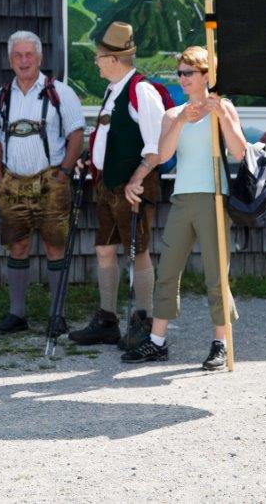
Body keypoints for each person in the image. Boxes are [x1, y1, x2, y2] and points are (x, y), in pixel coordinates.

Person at [120, 46, 247, 369]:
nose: (182, 79)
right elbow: (163, 156)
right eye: (179, 73)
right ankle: (158, 341)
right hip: (182, 198)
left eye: (188, 73)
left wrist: (221, 117)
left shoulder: (224, 107)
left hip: (213, 197)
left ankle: (221, 341)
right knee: (168, 270)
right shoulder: (172, 114)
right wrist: (179, 122)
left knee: (217, 274)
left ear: (206, 75)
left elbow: (239, 152)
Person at [68, 21, 164, 350]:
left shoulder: (141, 91)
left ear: (113, 58)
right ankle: (108, 319)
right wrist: (89, 158)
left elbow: (157, 146)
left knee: (137, 252)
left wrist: (136, 180)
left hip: (132, 188)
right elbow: (109, 136)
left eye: (98, 56)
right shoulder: (114, 89)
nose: (95, 61)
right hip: (107, 186)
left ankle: (144, 321)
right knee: (105, 249)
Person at [0, 31, 85, 335]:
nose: (24, 61)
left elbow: (77, 134)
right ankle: (17, 314)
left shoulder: (60, 92)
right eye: (18, 55)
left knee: (55, 245)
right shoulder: (3, 95)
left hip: (51, 179)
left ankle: (57, 315)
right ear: (10, 60)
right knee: (17, 245)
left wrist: (64, 173)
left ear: (40, 58)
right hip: (13, 181)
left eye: (29, 55)